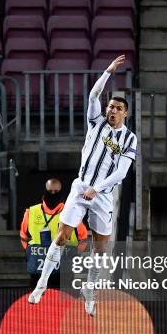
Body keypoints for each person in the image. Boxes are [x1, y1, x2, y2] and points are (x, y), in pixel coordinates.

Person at [28, 55, 137, 317]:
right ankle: (41, 284)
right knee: (62, 236)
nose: (111, 111)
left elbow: (121, 173)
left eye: (117, 108)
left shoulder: (129, 138)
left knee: (100, 248)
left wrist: (97, 189)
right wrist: (108, 71)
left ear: (125, 113)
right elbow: (92, 95)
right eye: (110, 106)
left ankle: (90, 292)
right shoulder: (95, 122)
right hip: (80, 188)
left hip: (103, 196)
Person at [19, 178, 88, 286]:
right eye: (50, 191)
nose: (53, 194)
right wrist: (35, 253)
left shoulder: (72, 212)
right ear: (45, 192)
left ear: (61, 194)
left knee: (63, 302)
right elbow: (24, 237)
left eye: (56, 192)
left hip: (64, 271)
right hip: (38, 269)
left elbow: (83, 238)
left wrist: (73, 255)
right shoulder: (31, 212)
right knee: (39, 301)